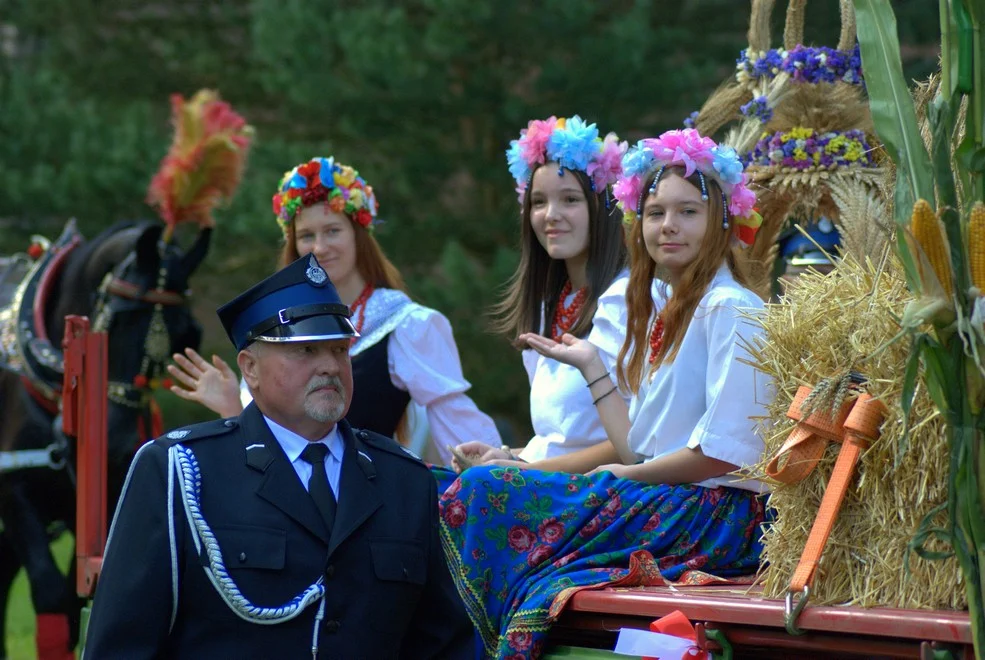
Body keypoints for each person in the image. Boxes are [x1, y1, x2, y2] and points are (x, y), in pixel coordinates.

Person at [439, 129, 771, 659]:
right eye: (656, 212)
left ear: (722, 221)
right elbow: (634, 444)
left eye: (688, 212)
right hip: (672, 497)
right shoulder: (668, 312)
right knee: (445, 486)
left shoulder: (731, 308)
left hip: (718, 513)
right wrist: (593, 366)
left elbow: (720, 454)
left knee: (483, 494)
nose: (668, 226)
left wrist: (627, 475)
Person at [83, 254, 475, 658]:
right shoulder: (181, 470)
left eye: (340, 350)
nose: (330, 367)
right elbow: (121, 645)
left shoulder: (404, 479)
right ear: (249, 368)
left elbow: (443, 645)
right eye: (305, 351)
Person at [167, 156, 500, 464]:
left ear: (358, 235)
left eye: (333, 231)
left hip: (371, 507)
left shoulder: (405, 325)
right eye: (307, 235)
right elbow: (265, 452)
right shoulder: (276, 326)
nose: (320, 248)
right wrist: (230, 406)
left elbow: (458, 424)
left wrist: (494, 472)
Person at [453, 116, 631, 474]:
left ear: (603, 207)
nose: (550, 215)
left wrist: (523, 471)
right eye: (538, 202)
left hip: (610, 492)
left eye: (569, 199)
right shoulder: (548, 305)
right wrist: (505, 456)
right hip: (554, 483)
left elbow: (637, 442)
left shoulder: (627, 299)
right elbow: (559, 441)